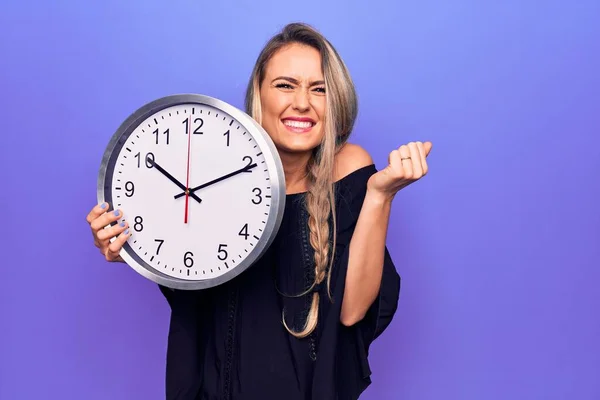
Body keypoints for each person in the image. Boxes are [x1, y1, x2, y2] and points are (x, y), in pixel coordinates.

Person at [86, 22, 432, 400]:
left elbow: (353, 312)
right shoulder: (210, 167)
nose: (302, 102)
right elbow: (188, 264)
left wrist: (380, 197)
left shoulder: (347, 167)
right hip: (214, 384)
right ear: (259, 94)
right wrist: (128, 250)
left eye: (319, 89)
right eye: (285, 85)